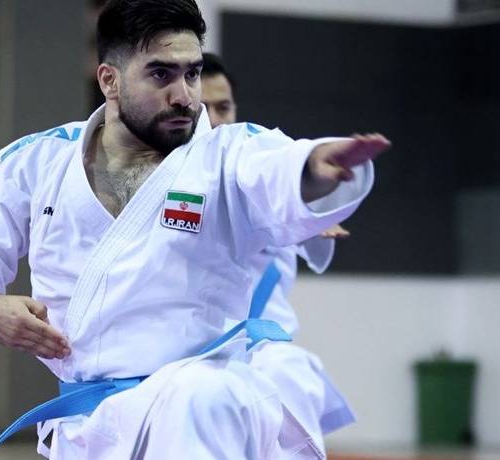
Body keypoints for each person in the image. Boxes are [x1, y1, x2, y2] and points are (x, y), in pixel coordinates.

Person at [0, 0, 389, 458]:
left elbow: (278, 167)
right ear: (109, 81)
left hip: (197, 409)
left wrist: (315, 166)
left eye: (192, 73)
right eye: (161, 75)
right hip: (87, 426)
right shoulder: (34, 162)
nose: (185, 96)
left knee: (206, 395)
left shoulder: (227, 154)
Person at [202, 52, 356, 455]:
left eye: (224, 107)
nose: (215, 119)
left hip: (262, 350)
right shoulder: (162, 180)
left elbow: (284, 184)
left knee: (289, 369)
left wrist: (307, 205)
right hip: (185, 355)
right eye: (203, 108)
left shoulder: (256, 164)